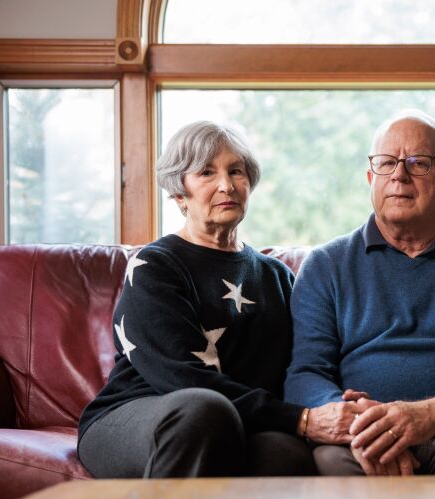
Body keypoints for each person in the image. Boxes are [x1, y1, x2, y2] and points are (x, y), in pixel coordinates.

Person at [78, 121, 371, 478]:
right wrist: (303, 419)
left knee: (286, 453)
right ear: (179, 193)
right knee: (202, 410)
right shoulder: (155, 265)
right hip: (137, 414)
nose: (226, 185)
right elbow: (184, 379)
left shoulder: (277, 277)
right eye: (206, 173)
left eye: (237, 171)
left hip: (235, 421)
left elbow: (306, 363)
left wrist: (341, 404)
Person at [284, 110, 435, 476]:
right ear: (371, 179)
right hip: (366, 438)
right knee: (328, 456)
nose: (399, 175)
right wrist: (361, 425)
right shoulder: (326, 265)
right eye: (386, 164)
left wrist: (432, 413)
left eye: (419, 163)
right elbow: (304, 374)